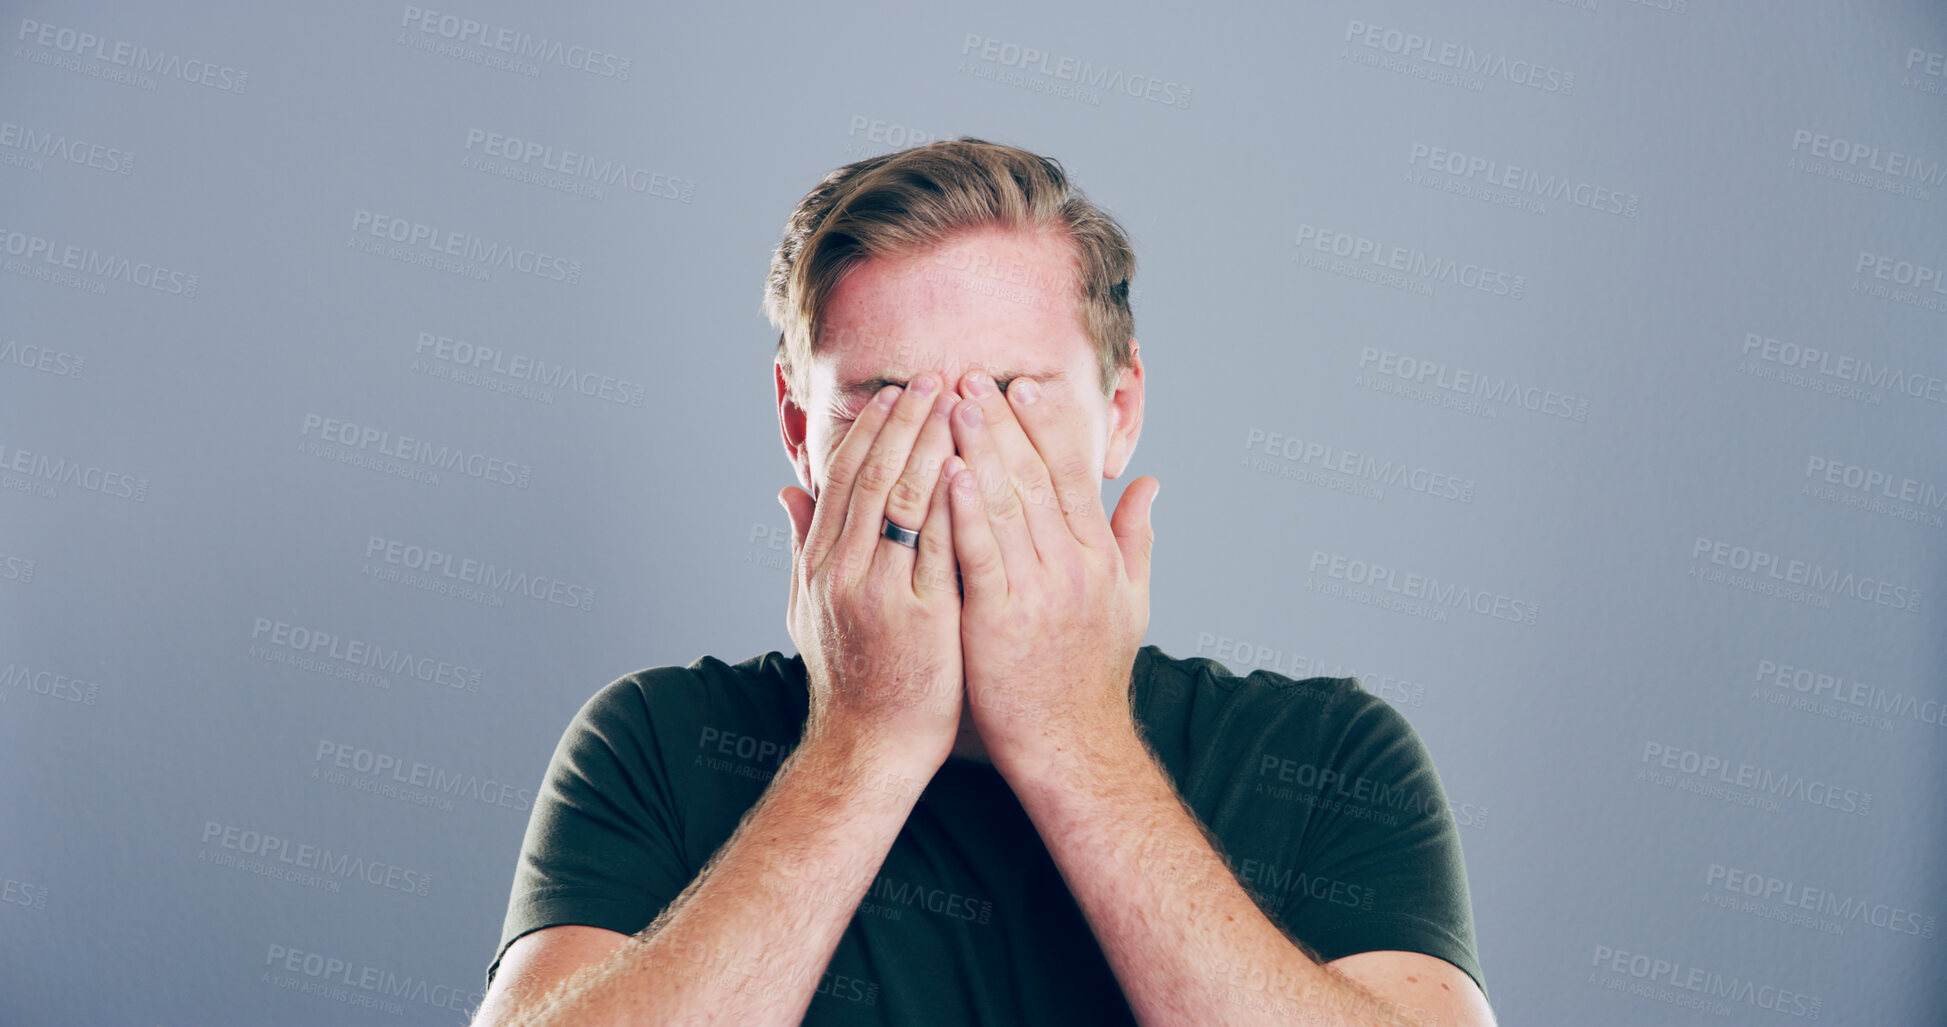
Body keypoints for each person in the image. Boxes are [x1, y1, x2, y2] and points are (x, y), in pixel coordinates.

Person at [471, 138, 1495, 1026]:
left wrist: (1073, 737)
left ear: (1120, 407)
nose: (957, 459)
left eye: (1010, 393)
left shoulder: (1328, 757)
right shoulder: (653, 744)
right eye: (885, 395)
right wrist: (865, 743)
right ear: (798, 428)